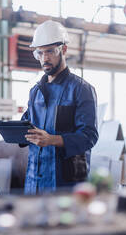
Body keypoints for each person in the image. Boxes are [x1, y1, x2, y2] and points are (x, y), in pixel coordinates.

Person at [21, 20, 98, 195]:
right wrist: (14, 131)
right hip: (34, 182)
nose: (44, 58)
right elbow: (27, 125)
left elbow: (89, 137)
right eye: (40, 53)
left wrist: (52, 140)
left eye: (50, 51)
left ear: (63, 50)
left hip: (66, 184)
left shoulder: (81, 89)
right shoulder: (35, 92)